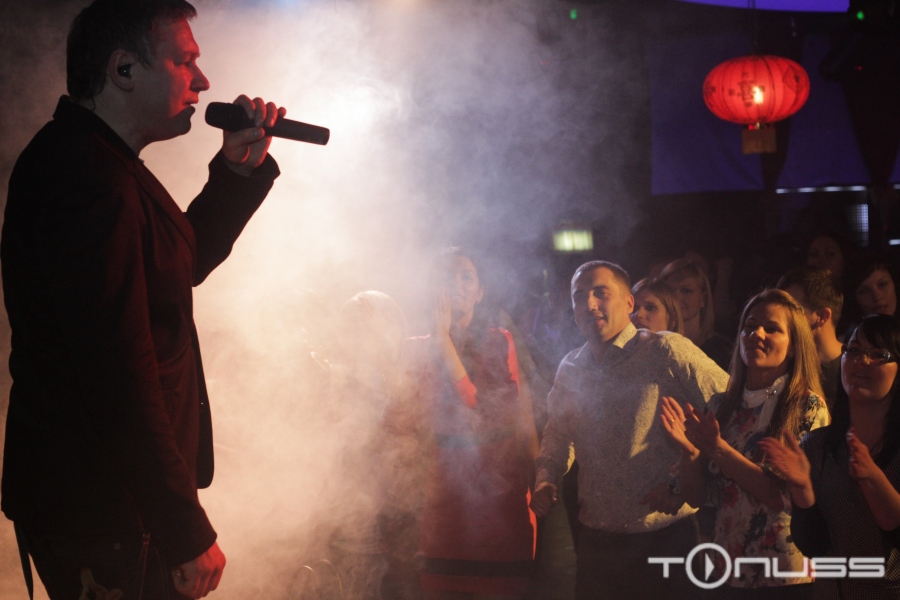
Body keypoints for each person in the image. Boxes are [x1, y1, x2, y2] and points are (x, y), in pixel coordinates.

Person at [1, 1, 284, 598]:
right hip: (103, 511)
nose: (203, 82)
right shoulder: (86, 178)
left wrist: (235, 175)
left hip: (107, 508)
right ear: (124, 69)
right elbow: (116, 371)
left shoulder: (97, 163)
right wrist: (182, 527)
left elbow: (175, 270)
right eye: (185, 62)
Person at [530, 260, 728, 600]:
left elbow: (731, 409)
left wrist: (684, 481)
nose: (589, 303)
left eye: (601, 293)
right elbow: (559, 435)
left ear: (628, 303)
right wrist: (546, 479)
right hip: (598, 541)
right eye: (579, 296)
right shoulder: (571, 367)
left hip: (665, 537)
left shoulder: (665, 349)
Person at [659, 289, 830, 598]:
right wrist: (689, 453)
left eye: (772, 328)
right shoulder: (722, 405)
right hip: (727, 570)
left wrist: (717, 448)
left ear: (793, 345)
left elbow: (782, 498)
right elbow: (699, 497)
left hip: (783, 577)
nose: (756, 334)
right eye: (750, 326)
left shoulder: (806, 406)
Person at [405, 248, 537, 599]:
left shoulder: (499, 341)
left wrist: (443, 341)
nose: (457, 283)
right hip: (442, 506)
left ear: (480, 292)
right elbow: (404, 421)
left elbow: (482, 410)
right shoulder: (415, 348)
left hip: (497, 504)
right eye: (447, 276)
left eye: (467, 276)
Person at [760, 314, 900, 600]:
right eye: (854, 350)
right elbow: (815, 546)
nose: (862, 361)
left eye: (879, 354)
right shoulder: (817, 445)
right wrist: (803, 490)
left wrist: (873, 478)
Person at [777, 266, 844, 407]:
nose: (780, 318)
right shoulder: (784, 366)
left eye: (791, 309)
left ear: (822, 316)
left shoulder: (854, 370)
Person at [661, 258, 733, 370]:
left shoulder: (722, 351)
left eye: (686, 291)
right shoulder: (655, 345)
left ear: (703, 299)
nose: (677, 297)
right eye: (670, 291)